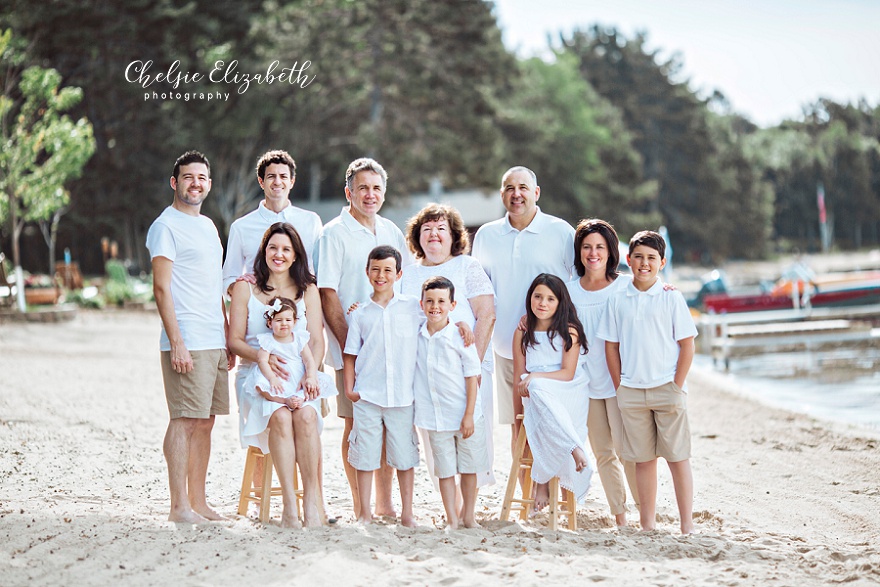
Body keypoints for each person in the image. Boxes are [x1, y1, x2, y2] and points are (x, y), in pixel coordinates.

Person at [315, 157, 409, 519]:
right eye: (362, 188)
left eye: (376, 188)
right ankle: (361, 506)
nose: (370, 195)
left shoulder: (390, 231)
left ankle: (385, 505)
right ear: (348, 192)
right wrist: (351, 345)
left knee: (387, 425)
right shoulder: (333, 233)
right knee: (357, 426)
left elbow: (404, 287)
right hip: (351, 353)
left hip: (390, 352)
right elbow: (328, 293)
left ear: (383, 193)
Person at [146, 150, 232, 523]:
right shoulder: (165, 226)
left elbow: (214, 286)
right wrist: (176, 341)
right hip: (186, 339)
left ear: (208, 185)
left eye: (201, 178)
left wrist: (228, 333)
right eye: (188, 177)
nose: (195, 183)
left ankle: (199, 501)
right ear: (174, 182)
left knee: (207, 420)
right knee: (183, 418)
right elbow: (161, 289)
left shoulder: (210, 227)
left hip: (213, 338)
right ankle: (178, 506)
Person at [597, 230, 698, 534]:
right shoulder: (617, 298)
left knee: (678, 459)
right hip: (631, 391)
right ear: (628, 259)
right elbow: (611, 347)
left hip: (667, 388)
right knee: (643, 461)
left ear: (662, 262)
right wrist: (620, 386)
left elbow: (687, 345)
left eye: (651, 258)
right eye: (638, 257)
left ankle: (687, 524)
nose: (644, 263)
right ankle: (647, 524)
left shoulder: (671, 296)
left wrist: (676, 385)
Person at [228, 222, 326, 528]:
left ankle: (310, 501)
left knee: (306, 417)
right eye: (273, 248)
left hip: (300, 376)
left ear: (296, 254)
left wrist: (308, 375)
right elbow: (234, 341)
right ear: (263, 251)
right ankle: (288, 506)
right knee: (282, 417)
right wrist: (262, 358)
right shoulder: (246, 287)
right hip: (256, 377)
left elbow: (317, 340)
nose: (279, 254)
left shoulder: (308, 289)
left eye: (286, 249)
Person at [472, 166, 574, 453]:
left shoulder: (561, 231)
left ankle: (551, 493)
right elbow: (477, 292)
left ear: (536, 193)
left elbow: (579, 285)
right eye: (509, 188)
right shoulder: (486, 235)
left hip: (552, 352)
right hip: (505, 348)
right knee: (518, 427)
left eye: (523, 187)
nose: (516, 194)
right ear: (502, 194)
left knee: (555, 427)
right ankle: (528, 496)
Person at [401, 204, 496, 488]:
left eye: (441, 228)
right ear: (417, 237)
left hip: (469, 367)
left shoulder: (467, 266)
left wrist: (474, 365)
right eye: (427, 229)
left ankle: (469, 504)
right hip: (427, 370)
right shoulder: (407, 275)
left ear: (453, 235)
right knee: (436, 436)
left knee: (472, 433)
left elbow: (487, 315)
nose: (434, 234)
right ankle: (449, 502)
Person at [566, 219, 639, 527]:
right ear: (579, 252)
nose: (593, 253)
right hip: (586, 383)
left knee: (630, 452)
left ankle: (646, 513)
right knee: (604, 454)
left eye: (599, 247)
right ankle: (620, 516)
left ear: (611, 251)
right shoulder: (568, 291)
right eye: (586, 247)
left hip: (622, 381)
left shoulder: (627, 285)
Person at [342, 246, 420, 527]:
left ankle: (407, 512)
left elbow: (438, 322)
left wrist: (461, 326)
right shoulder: (360, 314)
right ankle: (365, 513)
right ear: (367, 272)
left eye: (388, 270)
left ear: (399, 274)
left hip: (402, 396)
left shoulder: (413, 307)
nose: (381, 275)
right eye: (375, 269)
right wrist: (351, 390)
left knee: (404, 455)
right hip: (368, 395)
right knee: (365, 456)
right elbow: (350, 354)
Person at [513, 273, 593, 510]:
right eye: (537, 297)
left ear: (560, 303)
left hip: (567, 389)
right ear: (530, 299)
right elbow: (519, 376)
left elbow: (568, 373)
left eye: (550, 299)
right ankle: (573, 448)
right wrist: (531, 383)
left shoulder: (569, 331)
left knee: (537, 387)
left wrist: (535, 377)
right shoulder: (522, 331)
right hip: (535, 394)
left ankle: (543, 481)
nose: (542, 303)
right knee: (536, 391)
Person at [414, 276, 484, 529]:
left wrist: (468, 414)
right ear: (421, 304)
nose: (435, 306)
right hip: (435, 417)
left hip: (464, 414)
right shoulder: (417, 333)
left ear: (452, 305)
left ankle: (469, 517)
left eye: (442, 301)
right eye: (430, 301)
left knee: (468, 467)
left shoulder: (460, 337)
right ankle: (452, 519)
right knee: (444, 470)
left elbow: (471, 377)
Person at [222, 150, 323, 294]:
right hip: (257, 309)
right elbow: (228, 279)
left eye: (283, 176)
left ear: (292, 181)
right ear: (261, 181)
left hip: (302, 308)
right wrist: (242, 285)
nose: (277, 181)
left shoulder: (311, 221)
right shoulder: (241, 227)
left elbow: (322, 273)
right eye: (271, 176)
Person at [243, 296, 335, 413]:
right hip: (277, 377)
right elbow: (262, 361)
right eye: (278, 320)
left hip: (297, 374)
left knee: (309, 385)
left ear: (295, 322)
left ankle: (300, 398)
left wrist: (310, 376)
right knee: (261, 387)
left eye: (288, 320)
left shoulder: (299, 338)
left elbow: (309, 360)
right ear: (270, 323)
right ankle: (284, 400)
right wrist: (272, 378)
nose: (284, 323)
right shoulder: (267, 340)